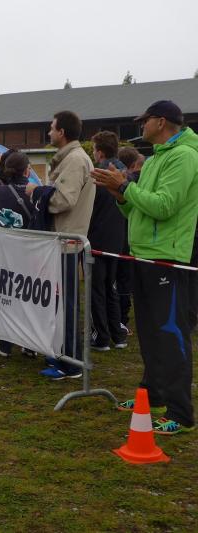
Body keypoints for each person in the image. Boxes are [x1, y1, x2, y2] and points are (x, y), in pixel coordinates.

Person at [93, 100, 198, 435]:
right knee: (151, 333)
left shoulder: (184, 156)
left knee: (170, 332)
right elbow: (137, 209)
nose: (141, 126)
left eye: (145, 121)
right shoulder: (154, 159)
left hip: (167, 256)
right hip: (144, 254)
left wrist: (125, 186)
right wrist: (120, 195)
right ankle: (152, 395)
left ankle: (181, 412)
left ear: (161, 122)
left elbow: (164, 207)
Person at [27, 111, 95, 380]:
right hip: (61, 240)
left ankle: (71, 363)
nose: (48, 133)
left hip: (67, 242)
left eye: (51, 128)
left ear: (62, 132)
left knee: (66, 304)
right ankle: (63, 356)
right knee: (59, 304)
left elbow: (64, 199)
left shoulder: (76, 160)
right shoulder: (70, 159)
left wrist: (37, 193)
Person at [0, 152, 37, 357]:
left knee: (6, 297)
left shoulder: (0, 191)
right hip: (30, 250)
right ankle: (29, 345)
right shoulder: (35, 190)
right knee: (29, 298)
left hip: (6, 249)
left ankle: (5, 345)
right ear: (26, 170)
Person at [87, 131, 128, 352]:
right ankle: (118, 334)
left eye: (94, 149)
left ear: (100, 152)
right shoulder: (124, 173)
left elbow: (89, 207)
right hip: (117, 239)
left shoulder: (98, 175)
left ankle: (101, 337)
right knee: (111, 287)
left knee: (97, 290)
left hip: (97, 239)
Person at [116, 147, 145, 332]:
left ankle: (122, 318)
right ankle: (123, 318)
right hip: (132, 236)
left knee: (124, 280)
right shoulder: (135, 180)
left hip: (126, 236)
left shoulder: (129, 181)